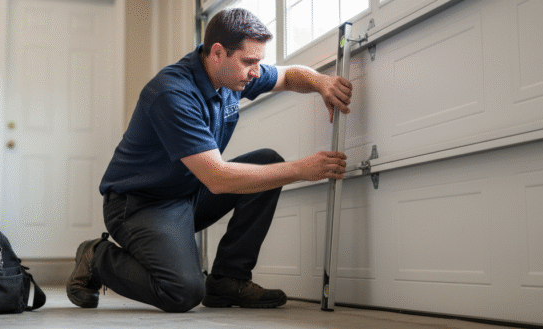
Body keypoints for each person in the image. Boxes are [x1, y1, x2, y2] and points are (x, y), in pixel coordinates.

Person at [66, 8, 353, 312]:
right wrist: (300, 170)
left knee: (268, 162)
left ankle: (229, 280)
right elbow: (218, 178)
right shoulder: (172, 93)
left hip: (187, 193)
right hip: (140, 204)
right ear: (217, 53)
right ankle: (96, 258)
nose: (256, 71)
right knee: (183, 292)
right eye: (249, 62)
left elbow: (288, 75)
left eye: (258, 61)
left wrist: (322, 82)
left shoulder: (233, 75)